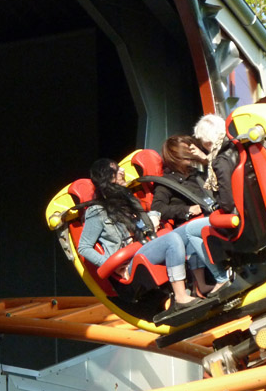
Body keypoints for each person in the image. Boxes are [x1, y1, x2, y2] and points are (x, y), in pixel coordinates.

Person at [77, 158, 201, 310]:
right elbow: (84, 247)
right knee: (172, 239)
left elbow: (142, 221)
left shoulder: (128, 198)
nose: (122, 171)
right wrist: (111, 265)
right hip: (130, 261)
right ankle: (181, 297)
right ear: (108, 177)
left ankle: (203, 285)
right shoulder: (97, 211)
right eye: (116, 169)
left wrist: (154, 217)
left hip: (148, 244)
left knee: (191, 229)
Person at [150, 133, 230, 296]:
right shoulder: (166, 183)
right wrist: (186, 210)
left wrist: (204, 159)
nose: (191, 155)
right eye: (186, 152)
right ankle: (218, 279)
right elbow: (158, 207)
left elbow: (221, 180)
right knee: (195, 230)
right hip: (188, 226)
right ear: (176, 156)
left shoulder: (196, 174)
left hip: (210, 216)